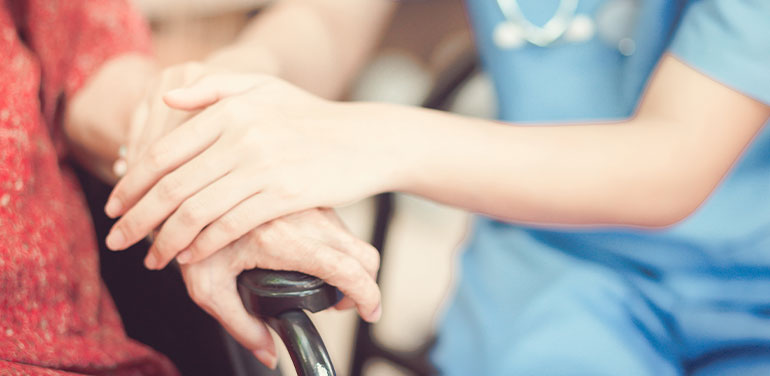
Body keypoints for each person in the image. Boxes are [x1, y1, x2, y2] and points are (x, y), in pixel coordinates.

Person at [106, 0, 770, 374]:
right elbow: (328, 20)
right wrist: (236, 80)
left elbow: (672, 163)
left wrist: (357, 138)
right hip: (554, 268)